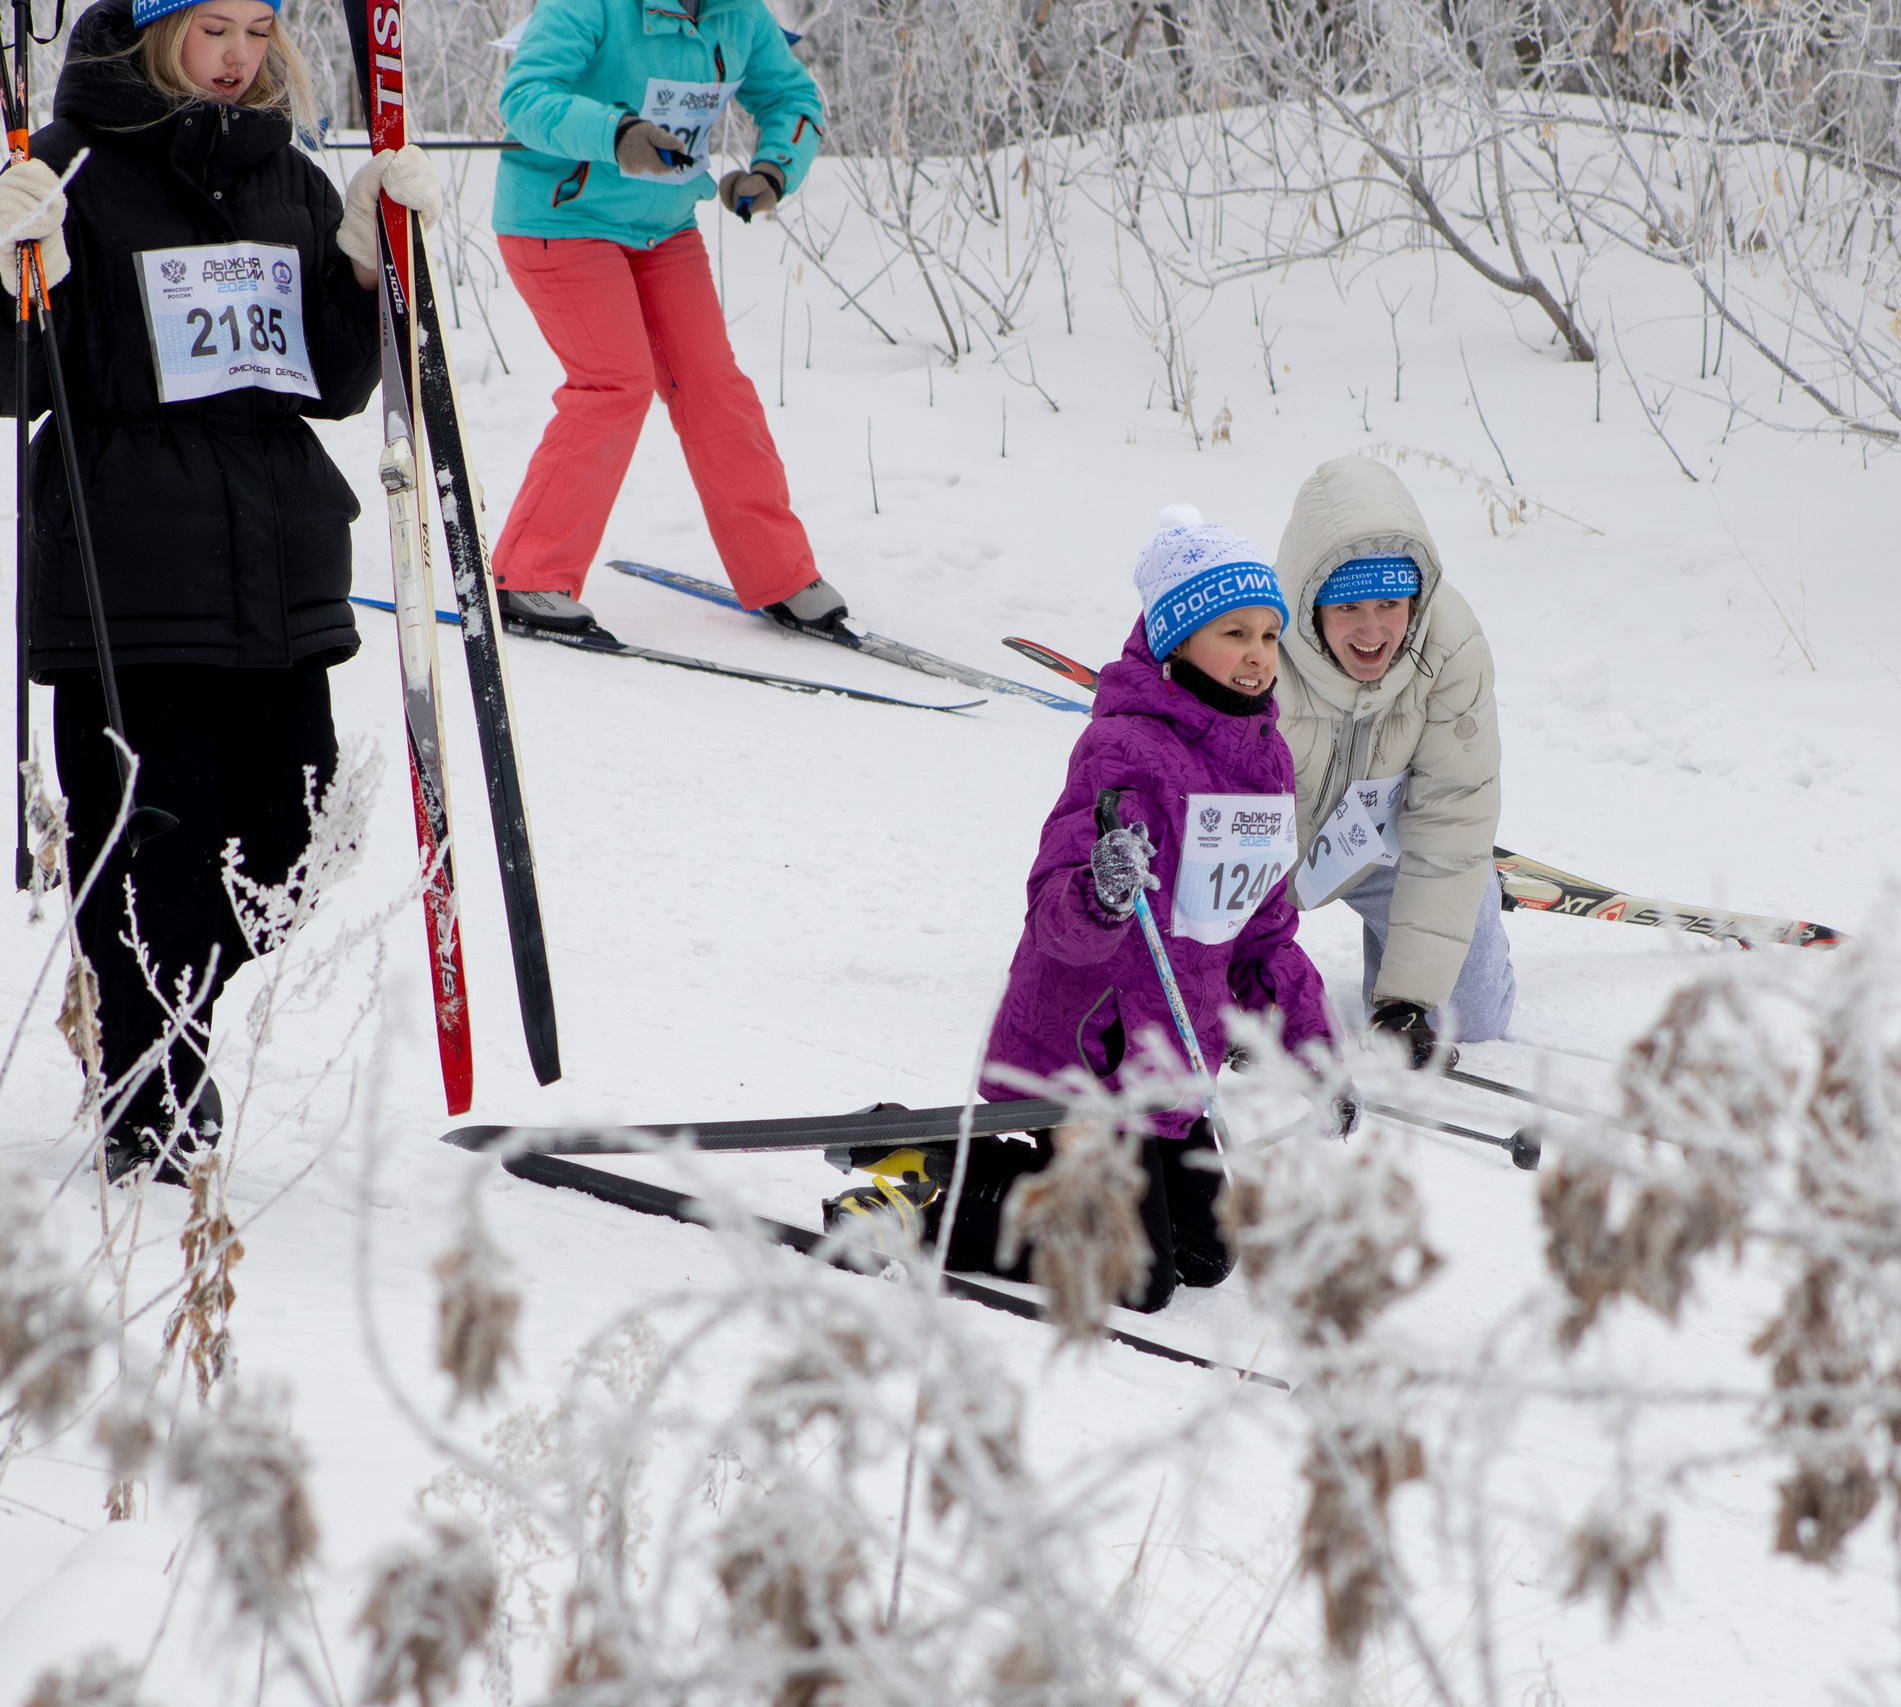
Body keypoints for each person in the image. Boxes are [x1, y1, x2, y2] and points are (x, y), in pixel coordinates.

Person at [0, 0, 430, 1179]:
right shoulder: (68, 166)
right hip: (126, 574)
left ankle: (149, 1024)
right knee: (157, 857)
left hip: (282, 570)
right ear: (150, 34)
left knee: (293, 845)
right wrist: (10, 267)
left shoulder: (284, 168)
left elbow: (333, 385)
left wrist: (358, 263)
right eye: (210, 30)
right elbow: (17, 379)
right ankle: (151, 1080)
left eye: (256, 28)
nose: (238, 56)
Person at [830, 508, 1340, 1313]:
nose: (1256, 656)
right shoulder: (1125, 749)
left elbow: (1262, 930)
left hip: (1171, 1064)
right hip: (1090, 1051)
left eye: (1270, 636)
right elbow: (1053, 921)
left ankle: (933, 1149)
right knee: (1129, 1272)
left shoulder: (1266, 764)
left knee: (1206, 1254)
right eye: (1233, 633)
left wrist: (1314, 1047)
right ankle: (929, 1205)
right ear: (1176, 640)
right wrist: (1101, 890)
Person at [490, 0, 841, 639]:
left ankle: (782, 575)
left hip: (663, 228)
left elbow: (792, 98)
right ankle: (531, 577)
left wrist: (772, 171)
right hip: (560, 218)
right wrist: (617, 134)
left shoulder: (740, 16)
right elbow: (526, 96)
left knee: (714, 389)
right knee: (612, 384)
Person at [1272, 455, 1512, 1068]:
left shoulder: (1450, 645)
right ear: (1311, 604)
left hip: (1378, 842)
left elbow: (1453, 812)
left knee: (1471, 1017)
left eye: (1390, 604)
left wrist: (1408, 998)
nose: (1373, 630)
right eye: (1348, 607)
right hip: (1268, 855)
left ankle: (1469, 895)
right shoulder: (1255, 645)